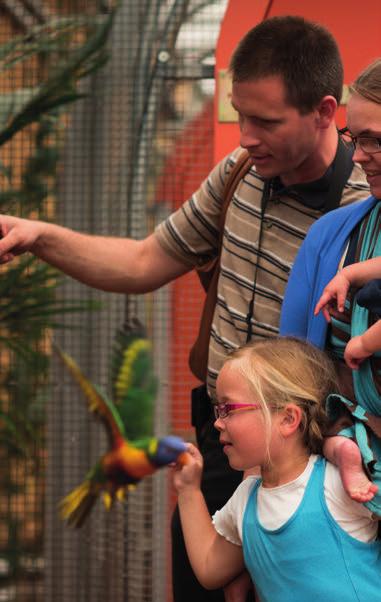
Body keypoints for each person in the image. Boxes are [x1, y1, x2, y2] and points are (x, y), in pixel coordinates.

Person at [0, 16, 370, 602]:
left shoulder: (363, 212)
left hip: (308, 463)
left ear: (326, 112)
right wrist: (40, 236)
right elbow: (145, 261)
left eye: (266, 121)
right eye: (240, 114)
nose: (245, 135)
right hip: (228, 439)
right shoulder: (240, 176)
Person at [172, 337, 381, 602]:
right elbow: (210, 568)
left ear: (288, 419)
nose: (217, 423)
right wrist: (188, 489)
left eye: (228, 409)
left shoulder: (340, 484)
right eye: (217, 410)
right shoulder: (245, 501)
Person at [280, 57, 381, 518]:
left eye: (373, 140)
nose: (357, 155)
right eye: (353, 138)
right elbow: (291, 378)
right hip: (343, 485)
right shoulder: (329, 237)